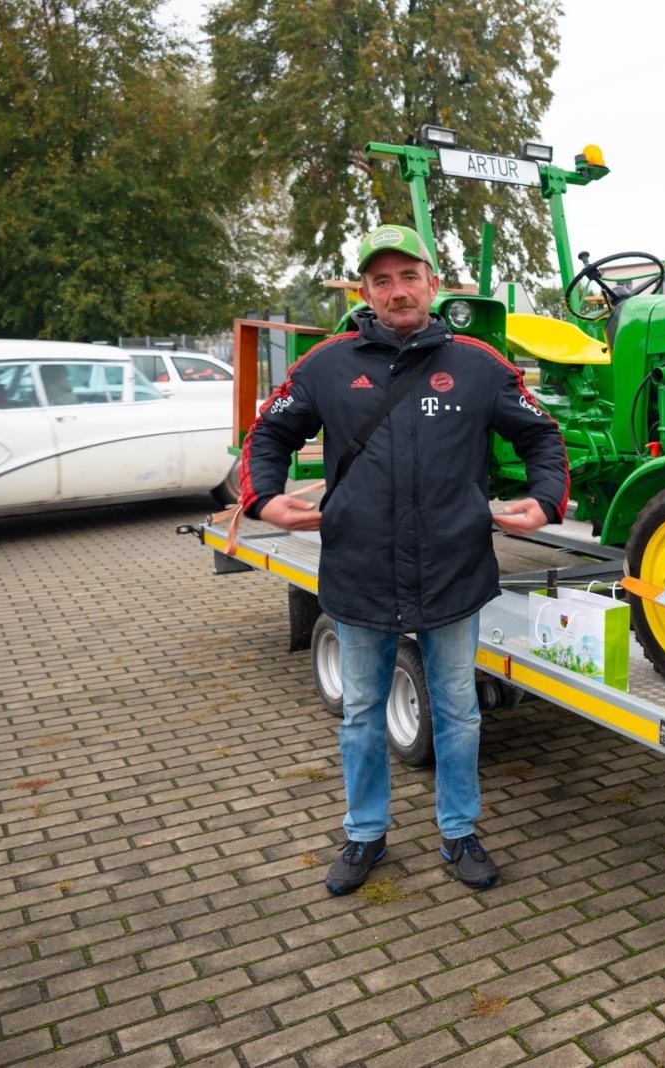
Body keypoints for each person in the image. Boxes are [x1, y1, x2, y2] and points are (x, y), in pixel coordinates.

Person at [239, 223, 569, 895]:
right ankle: (365, 836)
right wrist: (263, 498)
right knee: (362, 710)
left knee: (458, 709)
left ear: (433, 283)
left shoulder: (478, 364)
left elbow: (542, 435)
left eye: (408, 276)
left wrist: (544, 501)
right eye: (381, 280)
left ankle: (459, 831)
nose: (397, 291)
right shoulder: (327, 365)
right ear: (365, 289)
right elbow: (268, 431)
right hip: (359, 573)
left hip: (453, 571)